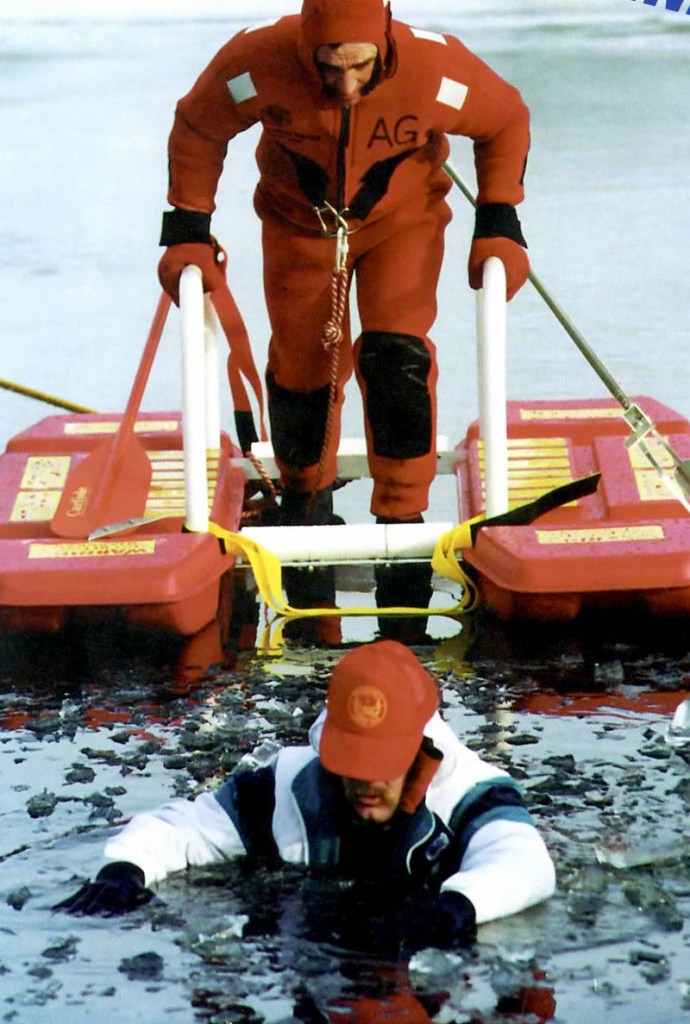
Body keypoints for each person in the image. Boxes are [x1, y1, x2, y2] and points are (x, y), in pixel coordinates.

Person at [155, 0, 531, 621]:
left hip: (401, 225)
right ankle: (304, 509)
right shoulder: (256, 62)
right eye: (331, 67)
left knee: (396, 358)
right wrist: (188, 227)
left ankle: (403, 527)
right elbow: (199, 127)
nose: (348, 84)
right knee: (302, 369)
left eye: (360, 65)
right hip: (300, 230)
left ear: (383, 41)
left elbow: (506, 120)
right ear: (308, 49)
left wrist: (499, 218)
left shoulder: (437, 70)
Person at [55, 640, 556, 951]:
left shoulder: (472, 793)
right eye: (351, 763)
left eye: (379, 766)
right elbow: (184, 827)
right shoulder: (289, 784)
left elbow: (526, 864)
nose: (362, 783)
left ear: (420, 750)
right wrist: (124, 868)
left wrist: (460, 906)